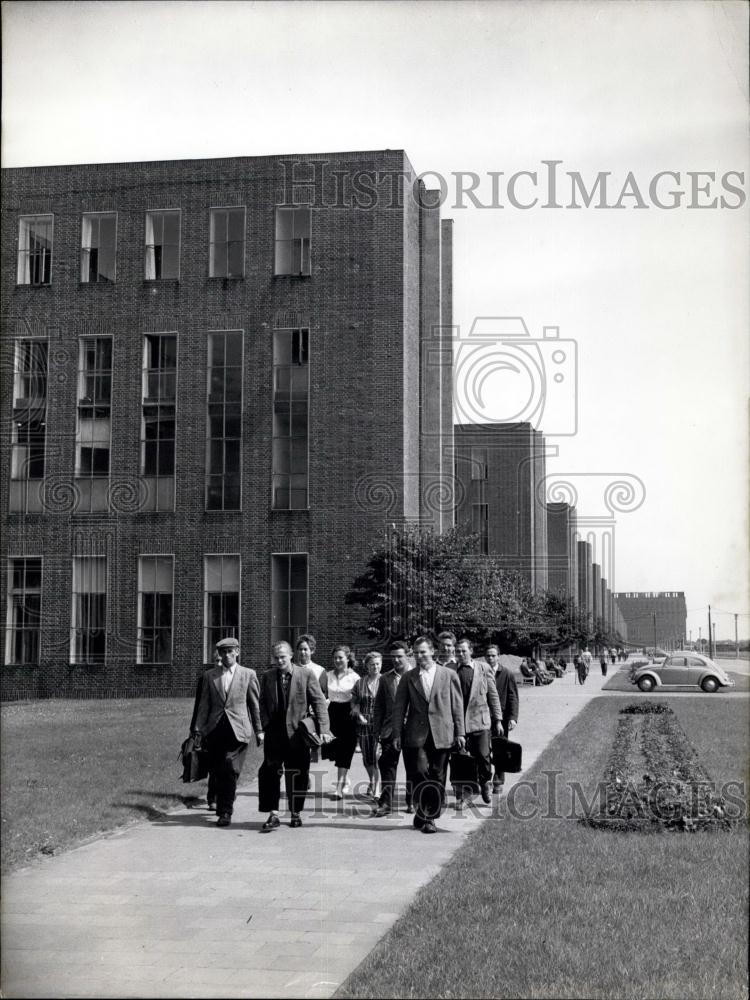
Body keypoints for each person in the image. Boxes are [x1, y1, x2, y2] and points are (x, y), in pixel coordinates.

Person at [391, 636, 465, 834]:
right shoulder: (409, 677)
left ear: (433, 651)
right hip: (416, 734)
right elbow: (399, 708)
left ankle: (429, 816)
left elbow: (457, 707)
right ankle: (425, 811)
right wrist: (397, 733)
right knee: (420, 772)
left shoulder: (449, 675)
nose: (419, 656)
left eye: (423, 652)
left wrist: (460, 733)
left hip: (443, 732)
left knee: (438, 775)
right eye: (415, 652)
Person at [257, 640, 331, 831]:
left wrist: (323, 729)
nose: (279, 660)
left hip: (297, 734)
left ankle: (295, 812)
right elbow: (262, 703)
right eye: (276, 657)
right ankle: (273, 814)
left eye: (283, 656)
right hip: (274, 734)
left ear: (291, 655)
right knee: (270, 772)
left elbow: (319, 702)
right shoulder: (267, 676)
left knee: (298, 774)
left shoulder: (305, 674)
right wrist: (264, 725)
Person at [193, 637, 262, 828]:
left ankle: (225, 811)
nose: (226, 655)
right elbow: (204, 706)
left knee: (230, 768)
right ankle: (223, 800)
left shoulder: (248, 674)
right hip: (215, 730)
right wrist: (198, 730)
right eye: (223, 652)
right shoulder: (210, 676)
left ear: (237, 652)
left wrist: (259, 730)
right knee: (218, 770)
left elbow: (254, 705)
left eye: (230, 651)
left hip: (238, 730)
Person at [451, 638, 503, 806]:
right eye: (457, 651)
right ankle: (466, 794)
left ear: (471, 651)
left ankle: (485, 782)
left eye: (463, 651)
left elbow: (493, 696)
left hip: (480, 721)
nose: (460, 654)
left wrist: (498, 720)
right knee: (463, 760)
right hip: (458, 723)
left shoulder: (484, 668)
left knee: (483, 756)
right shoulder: (450, 670)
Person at [372, 640, 412, 816]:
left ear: (408, 655)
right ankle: (386, 803)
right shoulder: (385, 679)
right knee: (387, 765)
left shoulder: (416, 675)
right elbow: (379, 706)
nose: (396, 660)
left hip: (413, 729)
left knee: (413, 767)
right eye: (393, 657)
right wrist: (376, 730)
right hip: (389, 729)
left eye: (400, 657)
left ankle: (412, 801)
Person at [326, 644, 360, 799]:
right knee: (334, 750)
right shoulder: (327, 675)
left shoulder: (355, 677)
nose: (337, 660)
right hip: (332, 713)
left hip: (348, 714)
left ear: (348, 659)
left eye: (340, 657)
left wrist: (357, 708)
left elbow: (360, 698)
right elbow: (322, 694)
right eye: (335, 658)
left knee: (345, 750)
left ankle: (339, 788)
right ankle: (345, 779)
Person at [485, 645, 519, 792]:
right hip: (484, 716)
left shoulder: (506, 673)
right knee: (483, 749)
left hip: (502, 717)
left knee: (500, 748)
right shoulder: (481, 672)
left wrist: (512, 717)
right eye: (488, 655)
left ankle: (498, 780)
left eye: (493, 655)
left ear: (498, 656)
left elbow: (513, 696)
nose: (490, 658)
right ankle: (485, 779)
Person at [189, 652, 220, 810]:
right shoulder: (206, 678)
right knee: (214, 764)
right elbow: (199, 705)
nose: (220, 663)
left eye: (222, 660)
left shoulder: (235, 676)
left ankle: (225, 794)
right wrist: (195, 728)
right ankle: (212, 798)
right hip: (209, 727)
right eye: (216, 660)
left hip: (228, 728)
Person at [351, 651, 382, 799]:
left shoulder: (386, 681)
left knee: (377, 756)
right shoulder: (360, 682)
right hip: (363, 724)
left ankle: (377, 787)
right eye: (372, 664)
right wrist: (358, 713)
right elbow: (354, 702)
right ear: (367, 666)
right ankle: (372, 781)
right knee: (367, 757)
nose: (375, 667)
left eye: (377, 664)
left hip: (380, 725)